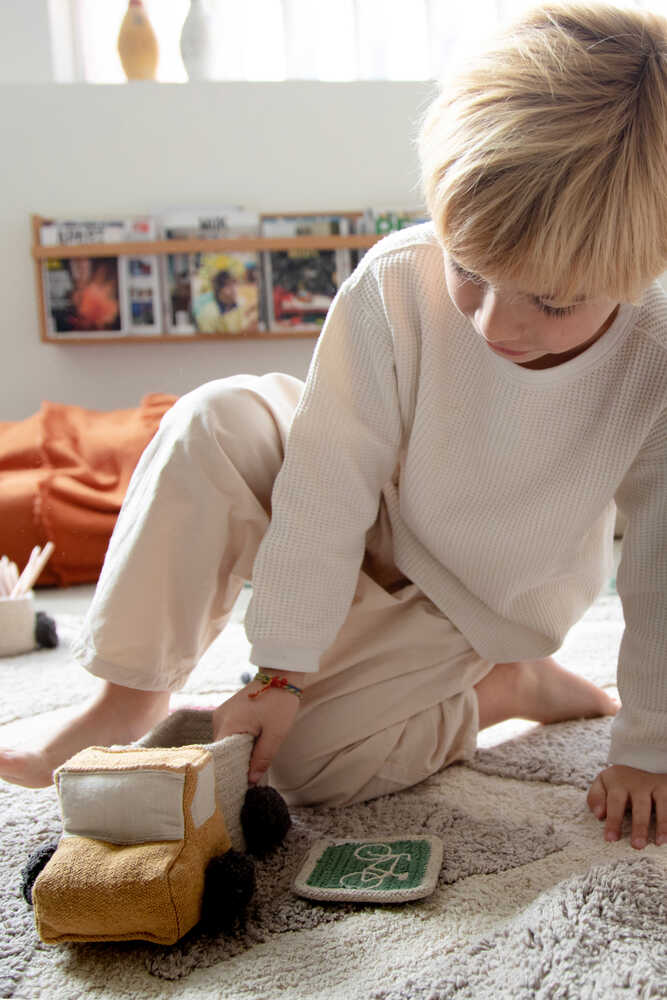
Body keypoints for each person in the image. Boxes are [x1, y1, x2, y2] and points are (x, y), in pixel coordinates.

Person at [2, 2, 665, 852]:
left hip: (469, 597)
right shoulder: (397, 280)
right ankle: (124, 696)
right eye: (469, 270)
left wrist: (649, 747)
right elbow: (325, 474)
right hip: (367, 500)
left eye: (551, 302)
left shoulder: (651, 356)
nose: (494, 324)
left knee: (311, 764)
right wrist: (280, 667)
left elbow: (656, 568)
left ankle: (504, 689)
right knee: (215, 421)